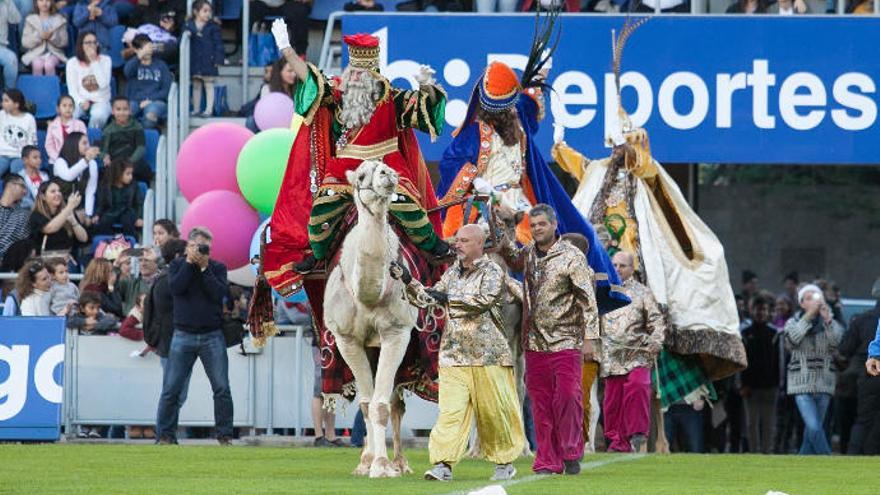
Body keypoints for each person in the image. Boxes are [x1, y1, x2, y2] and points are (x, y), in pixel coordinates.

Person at [262, 20, 450, 284]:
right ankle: (319, 255)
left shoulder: (392, 97)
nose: (359, 79)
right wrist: (287, 50)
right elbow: (309, 78)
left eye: (365, 74)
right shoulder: (337, 93)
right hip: (345, 170)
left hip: (387, 165)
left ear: (375, 71)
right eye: (355, 73)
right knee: (320, 214)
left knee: (406, 207)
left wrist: (427, 87)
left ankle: (432, 246)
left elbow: (424, 111)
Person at [394, 224, 524, 482]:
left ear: (479, 244)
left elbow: (481, 302)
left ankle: (504, 463)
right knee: (450, 412)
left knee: (495, 412)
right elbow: (429, 299)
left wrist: (446, 299)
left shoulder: (493, 271)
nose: (457, 245)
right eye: (456, 240)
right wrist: (408, 281)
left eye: (464, 241)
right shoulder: (452, 273)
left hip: (489, 356)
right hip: (453, 355)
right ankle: (443, 465)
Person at [500, 204, 598, 475]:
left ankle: (570, 451)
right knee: (540, 402)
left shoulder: (571, 256)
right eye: (533, 225)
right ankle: (547, 459)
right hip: (534, 342)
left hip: (566, 338)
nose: (537, 229)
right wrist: (494, 220)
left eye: (542, 224)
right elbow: (510, 257)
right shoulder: (528, 253)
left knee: (567, 396)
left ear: (555, 225)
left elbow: (588, 300)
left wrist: (590, 338)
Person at [155, 227, 232, 445]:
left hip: (212, 335)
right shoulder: (178, 266)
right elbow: (177, 288)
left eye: (205, 247)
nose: (201, 250)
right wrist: (190, 263)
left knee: (221, 387)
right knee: (171, 388)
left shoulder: (217, 268)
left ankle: (225, 435)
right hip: (183, 334)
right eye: (197, 246)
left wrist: (204, 267)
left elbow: (218, 294)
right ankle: (165, 435)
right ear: (188, 245)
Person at [601, 250, 664, 454]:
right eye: (615, 265)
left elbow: (656, 321)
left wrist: (656, 340)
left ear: (632, 268)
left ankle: (637, 433)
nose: (618, 269)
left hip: (637, 352)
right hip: (611, 355)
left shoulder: (643, 292)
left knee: (638, 385)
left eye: (623, 266)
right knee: (612, 403)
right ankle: (618, 442)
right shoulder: (604, 290)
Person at [784, 284, 844, 455]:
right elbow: (793, 338)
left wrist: (828, 320)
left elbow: (837, 342)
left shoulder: (830, 322)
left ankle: (803, 462)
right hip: (801, 383)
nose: (813, 301)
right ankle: (828, 459)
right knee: (814, 426)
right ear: (801, 303)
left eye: (816, 297)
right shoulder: (793, 322)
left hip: (824, 382)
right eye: (808, 298)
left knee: (810, 432)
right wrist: (809, 316)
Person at [840, 278, 880, 454]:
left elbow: (845, 349)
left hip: (868, 373)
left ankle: (853, 455)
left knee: (864, 420)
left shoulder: (862, 320)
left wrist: (872, 355)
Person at [739, 294, 780, 454]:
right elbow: (741, 362)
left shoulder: (774, 334)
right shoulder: (745, 333)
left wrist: (779, 385)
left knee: (769, 423)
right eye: (757, 309)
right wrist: (742, 385)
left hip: (770, 387)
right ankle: (754, 451)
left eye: (763, 309)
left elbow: (779, 362)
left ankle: (767, 451)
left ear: (768, 311)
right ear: (751, 310)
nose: (760, 312)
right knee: (751, 423)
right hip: (750, 388)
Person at [124, 34, 172, 129]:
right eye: (144, 47)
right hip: (135, 100)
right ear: (137, 50)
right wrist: (139, 57)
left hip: (156, 101)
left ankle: (144, 137)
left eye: (149, 46)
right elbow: (127, 72)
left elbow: (166, 89)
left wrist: (150, 99)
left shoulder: (161, 65)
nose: (148, 50)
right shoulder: (134, 64)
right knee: (125, 114)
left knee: (151, 115)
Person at [29, 181, 88, 258]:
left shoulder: (67, 212)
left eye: (59, 191)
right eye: (53, 191)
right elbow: (49, 228)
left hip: (66, 260)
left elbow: (84, 238)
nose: (58, 194)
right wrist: (69, 207)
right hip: (45, 261)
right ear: (43, 196)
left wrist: (73, 221)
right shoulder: (36, 215)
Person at [66, 31, 113, 129]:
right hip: (80, 100)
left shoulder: (106, 60)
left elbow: (104, 84)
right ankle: (73, 140)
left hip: (101, 101)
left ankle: (91, 139)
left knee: (98, 116)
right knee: (69, 114)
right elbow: (72, 90)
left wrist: (94, 62)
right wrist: (81, 101)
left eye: (94, 42)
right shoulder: (72, 63)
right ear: (80, 45)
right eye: (88, 43)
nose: (92, 46)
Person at [101, 97, 153, 183]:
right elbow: (104, 150)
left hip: (133, 161)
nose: (122, 113)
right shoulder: (108, 130)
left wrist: (130, 162)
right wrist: (105, 157)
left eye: (125, 109)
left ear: (130, 111)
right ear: (113, 111)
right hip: (116, 162)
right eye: (118, 109)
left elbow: (141, 147)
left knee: (144, 170)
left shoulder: (137, 126)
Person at [185, 0, 223, 118]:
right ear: (196, 12)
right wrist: (186, 34)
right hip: (195, 60)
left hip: (209, 60)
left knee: (208, 84)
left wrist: (218, 59)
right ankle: (196, 109)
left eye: (209, 11)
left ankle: (208, 109)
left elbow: (218, 44)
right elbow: (182, 38)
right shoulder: (188, 25)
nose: (208, 14)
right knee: (196, 84)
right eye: (204, 11)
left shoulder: (213, 26)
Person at [53, 131, 100, 219]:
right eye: (84, 143)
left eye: (88, 143)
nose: (88, 146)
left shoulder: (92, 163)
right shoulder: (60, 162)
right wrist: (86, 160)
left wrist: (88, 214)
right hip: (60, 207)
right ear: (73, 144)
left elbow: (90, 191)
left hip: (79, 207)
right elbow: (69, 176)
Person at [93, 159, 143, 238]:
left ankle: (130, 243)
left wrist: (139, 217)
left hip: (127, 211)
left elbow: (139, 203)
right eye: (128, 174)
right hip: (112, 211)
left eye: (131, 174)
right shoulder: (106, 185)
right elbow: (102, 203)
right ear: (118, 174)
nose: (131, 177)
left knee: (127, 221)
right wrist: (97, 214)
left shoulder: (133, 185)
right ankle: (107, 244)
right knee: (103, 222)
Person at [21, 0, 69, 76]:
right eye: (41, 0)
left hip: (54, 53)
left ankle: (51, 87)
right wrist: (39, 37)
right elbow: (25, 42)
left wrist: (52, 37)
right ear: (36, 3)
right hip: (35, 53)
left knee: (49, 64)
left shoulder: (60, 19)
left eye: (47, 0)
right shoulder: (30, 20)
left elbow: (64, 42)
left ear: (52, 2)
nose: (44, 3)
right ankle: (37, 87)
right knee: (37, 64)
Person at [0, 89, 38, 177]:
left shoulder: (29, 119)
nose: (2, 103)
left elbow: (32, 141)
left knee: (16, 177)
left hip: (19, 155)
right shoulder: (1, 115)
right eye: (2, 100)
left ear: (16, 104)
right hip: (2, 154)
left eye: (6, 101)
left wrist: (28, 157)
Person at [0, 174, 31, 272]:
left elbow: (22, 242)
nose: (25, 192)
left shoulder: (24, 214)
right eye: (22, 186)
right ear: (10, 185)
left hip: (11, 262)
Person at [46, 96, 88, 165]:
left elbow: (84, 143)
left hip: (76, 160)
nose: (68, 108)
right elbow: (49, 146)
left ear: (74, 108)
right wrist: (58, 159)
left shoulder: (80, 124)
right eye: (64, 106)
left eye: (70, 106)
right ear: (58, 109)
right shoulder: (52, 126)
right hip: (56, 160)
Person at [16, 146, 48, 210]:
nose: (39, 160)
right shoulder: (19, 178)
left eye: (40, 157)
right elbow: (22, 199)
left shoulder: (44, 175)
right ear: (25, 160)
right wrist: (36, 206)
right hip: (30, 210)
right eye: (35, 158)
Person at [0, 0, 21, 91]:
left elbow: (17, 20)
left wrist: (8, 2)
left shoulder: (5, 4)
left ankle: (9, 93)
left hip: (1, 47)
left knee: (11, 58)